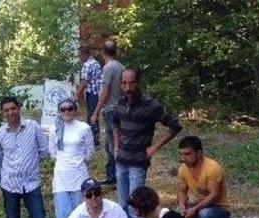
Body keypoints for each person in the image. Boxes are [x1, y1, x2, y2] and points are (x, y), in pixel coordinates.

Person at [112, 68, 182, 208]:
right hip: (121, 160)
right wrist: (115, 145)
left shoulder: (151, 105)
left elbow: (175, 126)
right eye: (124, 83)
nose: (128, 88)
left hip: (138, 162)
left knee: (135, 206)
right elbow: (115, 123)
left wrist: (155, 147)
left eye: (131, 83)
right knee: (121, 205)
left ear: (138, 83)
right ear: (120, 84)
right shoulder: (120, 103)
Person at [175, 136, 231, 218]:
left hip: (219, 208)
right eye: (181, 154)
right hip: (198, 205)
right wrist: (181, 205)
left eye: (187, 154)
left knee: (204, 214)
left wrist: (194, 208)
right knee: (176, 215)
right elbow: (182, 191)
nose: (183, 158)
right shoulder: (183, 169)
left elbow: (214, 195)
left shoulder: (213, 168)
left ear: (199, 153)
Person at [49, 98, 95, 218]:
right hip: (61, 176)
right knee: (63, 213)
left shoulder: (84, 128)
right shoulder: (54, 129)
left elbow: (90, 151)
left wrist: (78, 162)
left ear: (75, 110)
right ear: (59, 112)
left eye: (70, 108)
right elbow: (52, 153)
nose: (67, 111)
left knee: (80, 212)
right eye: (63, 109)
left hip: (79, 175)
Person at [89, 40, 124, 185]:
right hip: (121, 109)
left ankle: (115, 177)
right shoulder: (121, 67)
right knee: (114, 144)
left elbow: (105, 91)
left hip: (111, 110)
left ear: (103, 52)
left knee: (112, 145)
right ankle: (113, 176)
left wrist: (96, 112)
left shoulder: (108, 68)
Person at [76, 45, 102, 147]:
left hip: (92, 94)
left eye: (80, 55)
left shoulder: (87, 65)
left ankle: (93, 140)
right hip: (98, 93)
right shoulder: (96, 63)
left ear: (84, 54)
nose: (79, 58)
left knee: (91, 116)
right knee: (95, 116)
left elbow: (84, 82)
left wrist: (77, 95)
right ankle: (95, 138)